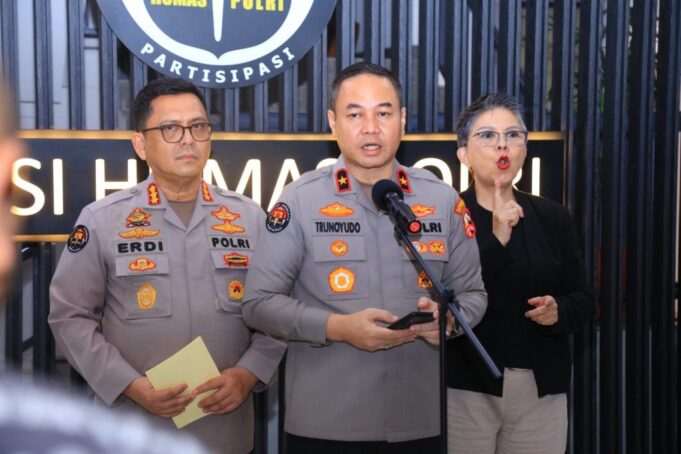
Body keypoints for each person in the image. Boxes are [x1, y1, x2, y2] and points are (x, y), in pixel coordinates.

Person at [242, 62, 487, 452]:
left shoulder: (441, 199)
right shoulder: (300, 200)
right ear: (333, 123)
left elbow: (474, 295)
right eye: (355, 115)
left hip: (418, 421)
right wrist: (338, 328)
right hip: (326, 424)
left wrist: (447, 323)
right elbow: (258, 304)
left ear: (402, 120)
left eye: (383, 113)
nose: (370, 128)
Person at [48, 77, 286, 453]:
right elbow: (69, 317)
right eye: (171, 128)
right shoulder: (103, 220)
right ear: (141, 144)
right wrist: (130, 385)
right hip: (130, 427)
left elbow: (276, 311)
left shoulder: (249, 218)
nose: (188, 139)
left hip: (222, 429)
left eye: (198, 127)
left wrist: (248, 373)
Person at [446, 93, 595, 453]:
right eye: (488, 135)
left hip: (540, 391)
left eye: (513, 135)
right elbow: (446, 296)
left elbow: (584, 301)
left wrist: (559, 310)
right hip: (466, 386)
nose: (503, 145)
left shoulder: (553, 217)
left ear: (524, 150)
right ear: (463, 154)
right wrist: (497, 238)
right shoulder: (446, 216)